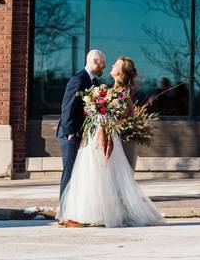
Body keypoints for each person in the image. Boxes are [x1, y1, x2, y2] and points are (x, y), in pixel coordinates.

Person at [58, 56, 164, 228]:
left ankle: (95, 214)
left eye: (116, 64)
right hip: (94, 136)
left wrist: (108, 122)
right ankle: (83, 213)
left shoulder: (122, 92)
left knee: (100, 174)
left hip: (106, 135)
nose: (112, 65)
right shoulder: (107, 88)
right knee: (89, 174)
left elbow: (127, 115)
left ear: (121, 72)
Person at [56, 49, 104, 200]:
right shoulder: (78, 79)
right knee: (70, 173)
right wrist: (70, 131)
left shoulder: (95, 82)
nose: (104, 66)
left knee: (80, 173)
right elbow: (67, 107)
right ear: (94, 61)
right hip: (70, 134)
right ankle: (64, 210)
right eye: (102, 63)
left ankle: (74, 208)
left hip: (82, 134)